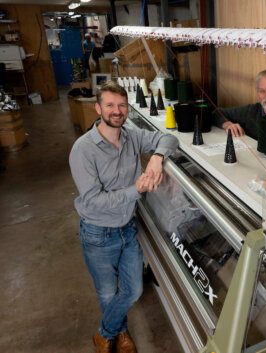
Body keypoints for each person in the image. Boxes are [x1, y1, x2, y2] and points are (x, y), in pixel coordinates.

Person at [69, 81, 178, 353]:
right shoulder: (83, 150)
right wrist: (136, 189)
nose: (117, 111)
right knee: (107, 292)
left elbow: (169, 137)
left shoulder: (131, 135)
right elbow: (94, 200)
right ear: (98, 108)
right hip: (98, 232)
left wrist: (156, 158)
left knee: (133, 291)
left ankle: (105, 333)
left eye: (121, 105)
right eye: (110, 105)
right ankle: (121, 332)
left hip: (128, 228)